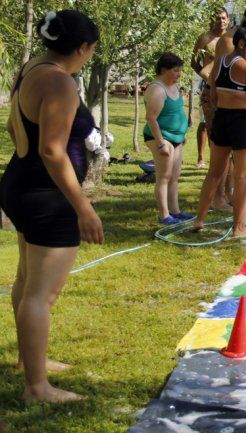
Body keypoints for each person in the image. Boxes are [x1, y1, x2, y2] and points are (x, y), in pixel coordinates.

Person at [0, 9, 103, 403]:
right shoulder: (60, 83)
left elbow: (15, 126)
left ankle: (33, 363)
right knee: (41, 293)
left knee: (27, 282)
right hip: (47, 195)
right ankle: (37, 387)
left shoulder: (33, 67)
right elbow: (51, 149)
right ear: (81, 47)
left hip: (21, 182)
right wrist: (84, 208)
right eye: (90, 51)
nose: (89, 57)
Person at [194, 22, 246, 238]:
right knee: (242, 176)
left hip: (221, 119)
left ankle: (199, 220)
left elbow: (213, 93)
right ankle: (239, 228)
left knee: (214, 173)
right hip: (242, 123)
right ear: (241, 43)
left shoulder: (221, 62)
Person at [143, 52, 191, 225]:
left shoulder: (173, 86)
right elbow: (151, 118)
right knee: (164, 177)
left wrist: (182, 134)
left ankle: (175, 211)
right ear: (164, 70)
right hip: (161, 137)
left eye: (180, 71)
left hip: (175, 137)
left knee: (174, 176)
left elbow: (176, 112)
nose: (179, 74)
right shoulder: (157, 89)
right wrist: (161, 143)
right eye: (176, 70)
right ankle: (164, 215)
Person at [191, 8, 229, 169]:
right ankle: (201, 157)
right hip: (208, 87)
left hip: (227, 88)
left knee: (224, 124)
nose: (220, 21)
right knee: (205, 123)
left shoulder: (231, 39)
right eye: (217, 18)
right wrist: (208, 78)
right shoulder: (205, 39)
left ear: (228, 20)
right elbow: (194, 62)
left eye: (223, 18)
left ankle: (220, 158)